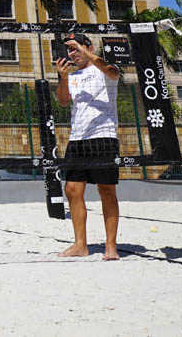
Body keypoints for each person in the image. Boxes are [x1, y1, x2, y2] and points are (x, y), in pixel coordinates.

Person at [55, 32, 122, 261]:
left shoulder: (105, 69)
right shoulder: (74, 76)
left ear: (88, 47)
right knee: (72, 190)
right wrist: (63, 78)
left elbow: (113, 72)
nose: (73, 54)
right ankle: (80, 244)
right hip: (78, 139)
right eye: (70, 50)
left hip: (103, 137)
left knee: (106, 190)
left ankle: (110, 246)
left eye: (76, 49)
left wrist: (86, 53)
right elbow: (63, 102)